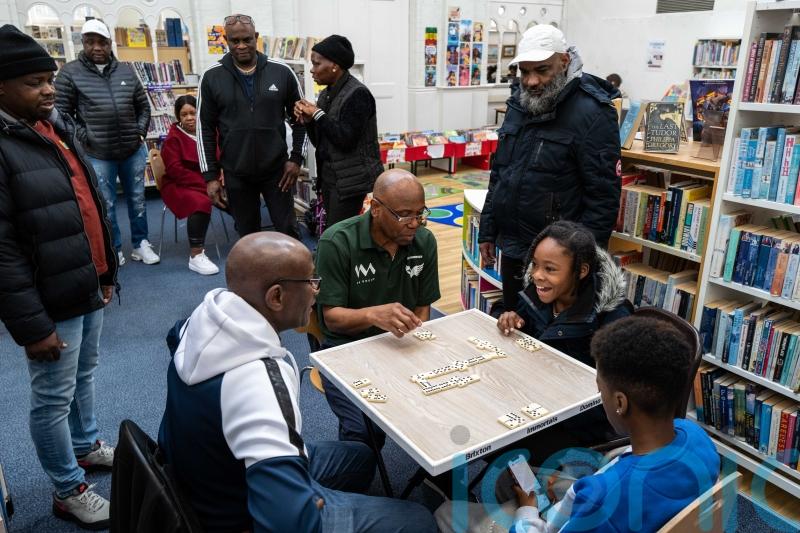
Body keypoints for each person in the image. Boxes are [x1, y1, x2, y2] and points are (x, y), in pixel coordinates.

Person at [158, 232, 437, 533]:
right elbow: (288, 523)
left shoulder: (201, 318)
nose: (317, 291)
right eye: (311, 281)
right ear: (276, 296)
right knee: (419, 520)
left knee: (362, 459)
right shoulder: (257, 384)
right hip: (238, 513)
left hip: (208, 474)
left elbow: (172, 339)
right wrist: (303, 504)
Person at [436, 316, 720, 532]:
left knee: (446, 512)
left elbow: (602, 493)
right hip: (630, 504)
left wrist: (528, 511)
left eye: (601, 390)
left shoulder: (598, 500)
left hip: (588, 511)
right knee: (507, 482)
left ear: (620, 403)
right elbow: (620, 473)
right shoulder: (696, 436)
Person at [0, 25, 118, 529]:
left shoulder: (54, 126)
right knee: (51, 395)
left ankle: (86, 445)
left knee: (83, 376)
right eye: (33, 81)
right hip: (49, 301)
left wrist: (107, 270)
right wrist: (32, 326)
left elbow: (87, 203)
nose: (48, 89)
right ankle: (68, 489)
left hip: (84, 282)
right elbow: (1, 252)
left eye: (49, 78)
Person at [479, 25, 621, 315]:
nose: (531, 81)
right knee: (514, 326)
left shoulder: (593, 113)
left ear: (565, 62)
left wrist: (582, 261)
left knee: (548, 341)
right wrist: (488, 230)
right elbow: (501, 174)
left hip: (559, 261)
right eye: (525, 72)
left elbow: (603, 198)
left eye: (542, 70)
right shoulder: (519, 103)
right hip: (514, 248)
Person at [315, 169, 440, 447]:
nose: (415, 223)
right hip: (346, 350)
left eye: (421, 213)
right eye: (405, 215)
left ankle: (441, 483)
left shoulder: (425, 240)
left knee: (445, 408)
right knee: (365, 435)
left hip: (401, 346)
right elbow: (331, 319)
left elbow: (423, 310)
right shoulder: (337, 242)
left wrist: (415, 344)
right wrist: (373, 314)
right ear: (375, 209)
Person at [55, 19, 159, 266]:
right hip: (97, 153)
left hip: (132, 150)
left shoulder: (126, 70)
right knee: (107, 202)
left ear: (110, 44)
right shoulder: (70, 73)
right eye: (90, 42)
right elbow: (61, 114)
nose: (97, 47)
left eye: (102, 42)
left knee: (137, 199)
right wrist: (84, 136)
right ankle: (113, 248)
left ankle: (141, 244)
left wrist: (140, 134)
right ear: (83, 43)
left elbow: (143, 107)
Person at [197, 14, 305, 238]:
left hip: (277, 171)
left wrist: (296, 159)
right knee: (248, 236)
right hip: (236, 172)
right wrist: (210, 177)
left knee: (287, 230)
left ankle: (295, 274)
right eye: (235, 41)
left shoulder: (282, 72)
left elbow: (301, 118)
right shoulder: (211, 77)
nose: (241, 46)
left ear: (256, 37)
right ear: (227, 40)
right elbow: (204, 129)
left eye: (247, 39)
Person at [497, 221, 632, 368]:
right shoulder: (533, 293)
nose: (536, 275)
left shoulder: (611, 318)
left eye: (550, 269)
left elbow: (612, 378)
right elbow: (504, 309)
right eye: (535, 264)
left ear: (581, 271)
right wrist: (509, 319)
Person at [294, 35, 382, 229]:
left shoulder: (358, 94)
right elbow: (322, 142)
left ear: (334, 66)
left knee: (339, 234)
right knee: (336, 233)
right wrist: (308, 120)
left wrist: (317, 113)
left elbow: (345, 140)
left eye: (316, 64)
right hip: (331, 177)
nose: (312, 69)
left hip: (352, 181)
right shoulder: (326, 94)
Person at [159, 95, 219, 275]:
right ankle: (196, 255)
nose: (189, 118)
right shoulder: (173, 139)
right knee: (200, 202)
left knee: (239, 193)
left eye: (193, 113)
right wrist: (206, 184)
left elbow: (220, 158)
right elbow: (175, 171)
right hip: (179, 184)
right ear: (178, 117)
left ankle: (249, 241)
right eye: (184, 114)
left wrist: (219, 178)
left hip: (208, 180)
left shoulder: (209, 132)